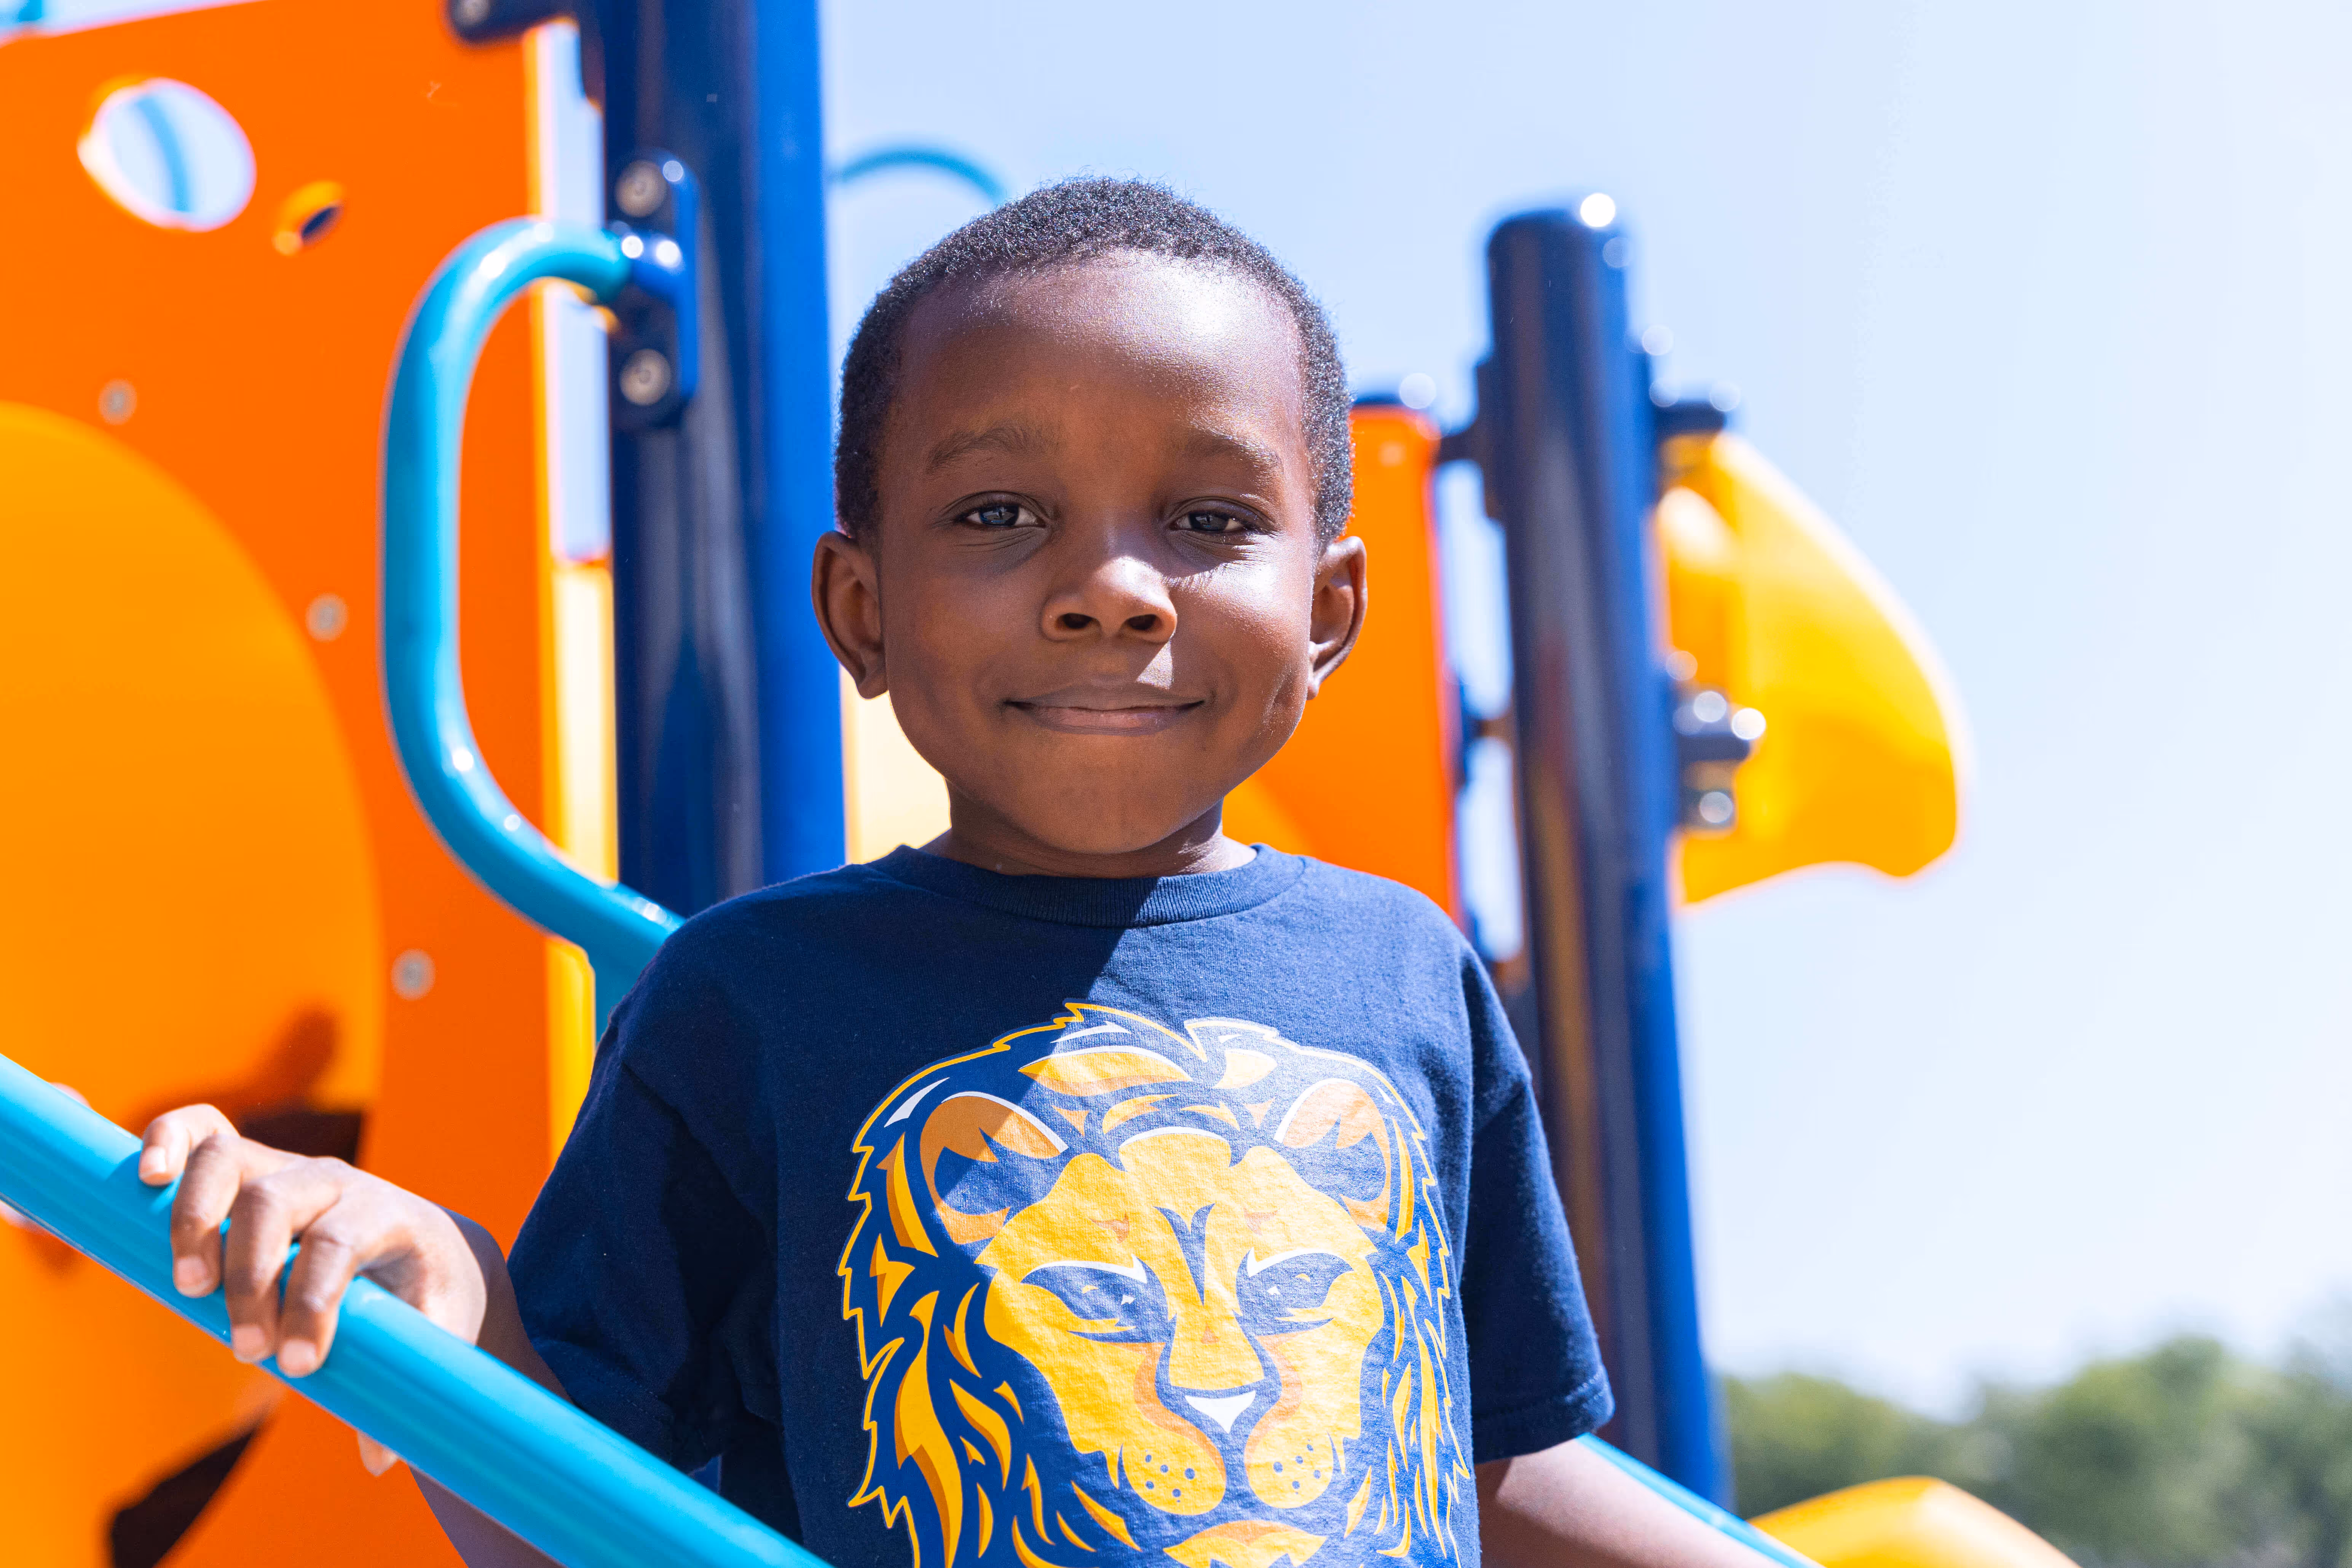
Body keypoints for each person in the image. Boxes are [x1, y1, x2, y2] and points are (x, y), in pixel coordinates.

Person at [137, 179, 1769, 1568]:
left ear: (1330, 612)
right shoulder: (756, 999)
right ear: (860, 613)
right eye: (999, 513)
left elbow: (1485, 1452)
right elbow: (578, 1494)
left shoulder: (1404, 970)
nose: (1113, 590)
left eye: (1206, 518)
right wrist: (444, 1288)